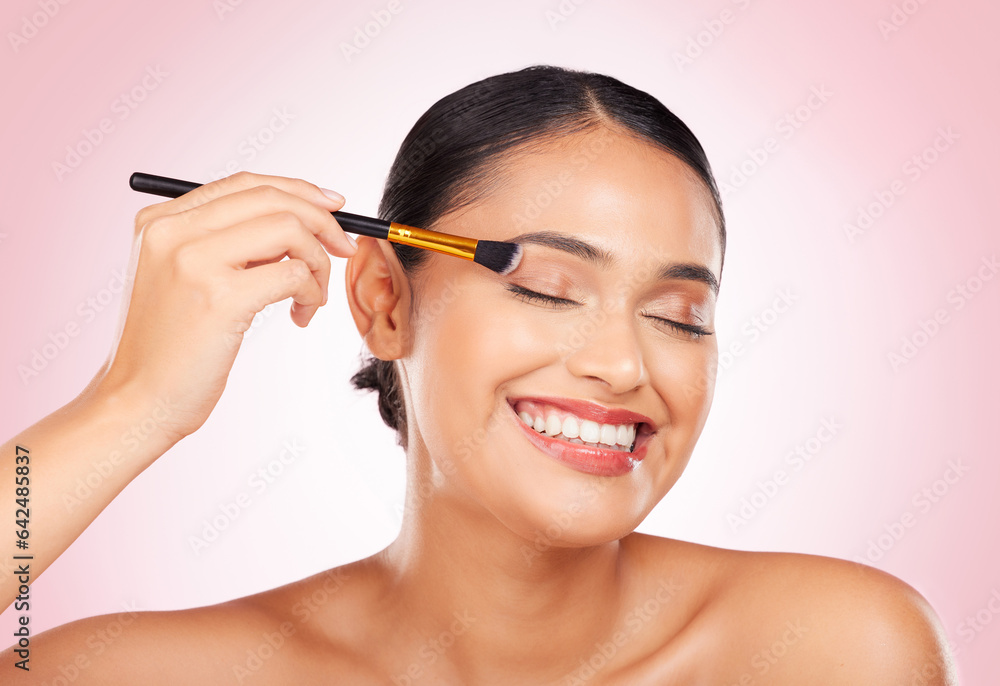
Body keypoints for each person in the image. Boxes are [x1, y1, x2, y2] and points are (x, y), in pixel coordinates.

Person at [1, 65, 954, 684]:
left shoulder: (833, 650)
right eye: (545, 289)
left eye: (678, 317)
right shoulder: (151, 673)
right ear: (383, 300)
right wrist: (133, 403)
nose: (624, 364)